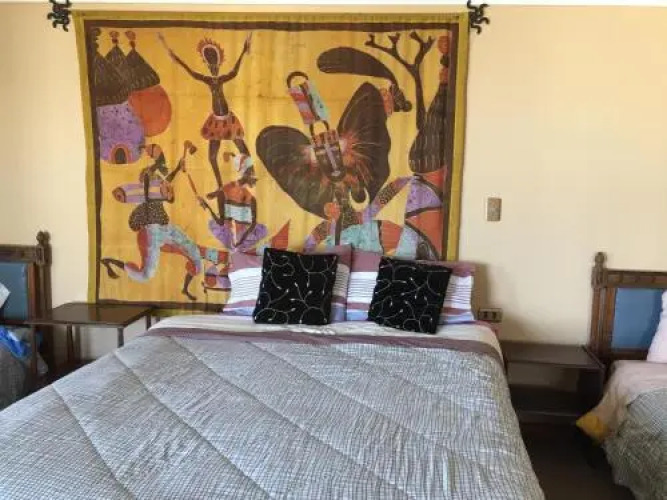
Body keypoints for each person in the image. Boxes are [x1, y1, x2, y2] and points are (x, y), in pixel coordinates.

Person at [101, 141, 225, 301]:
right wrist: (151, 177)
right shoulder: (145, 195)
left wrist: (178, 167)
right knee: (146, 275)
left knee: (192, 250)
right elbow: (124, 192)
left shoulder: (158, 192)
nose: (165, 186)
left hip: (166, 228)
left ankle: (192, 277)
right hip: (153, 232)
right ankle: (111, 262)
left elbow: (167, 180)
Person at [158, 32, 252, 217]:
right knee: (212, 157)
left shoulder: (222, 78)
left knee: (243, 149)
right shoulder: (209, 80)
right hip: (216, 122)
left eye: (214, 63)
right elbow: (191, 73)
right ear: (208, 65)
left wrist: (243, 50)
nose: (213, 67)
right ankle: (219, 186)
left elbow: (234, 71)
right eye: (210, 64)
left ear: (218, 63)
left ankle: (248, 174)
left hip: (227, 120)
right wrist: (175, 58)